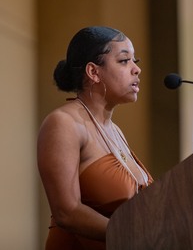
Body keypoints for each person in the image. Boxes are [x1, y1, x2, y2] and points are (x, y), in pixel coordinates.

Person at [37, 26, 153, 250]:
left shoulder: (116, 132)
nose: (136, 69)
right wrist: (133, 236)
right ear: (93, 72)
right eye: (124, 61)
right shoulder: (64, 123)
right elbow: (67, 211)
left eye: (134, 61)